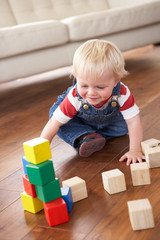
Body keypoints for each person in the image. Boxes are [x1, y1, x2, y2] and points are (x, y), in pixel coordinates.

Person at [40, 39, 145, 165]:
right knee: (58, 121)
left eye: (100, 87)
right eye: (84, 86)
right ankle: (83, 136)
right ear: (76, 77)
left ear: (116, 81)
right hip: (80, 119)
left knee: (123, 128)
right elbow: (53, 124)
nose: (91, 93)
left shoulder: (122, 93)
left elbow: (133, 121)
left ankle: (92, 136)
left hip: (109, 121)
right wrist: (40, 154)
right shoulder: (75, 97)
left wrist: (135, 150)